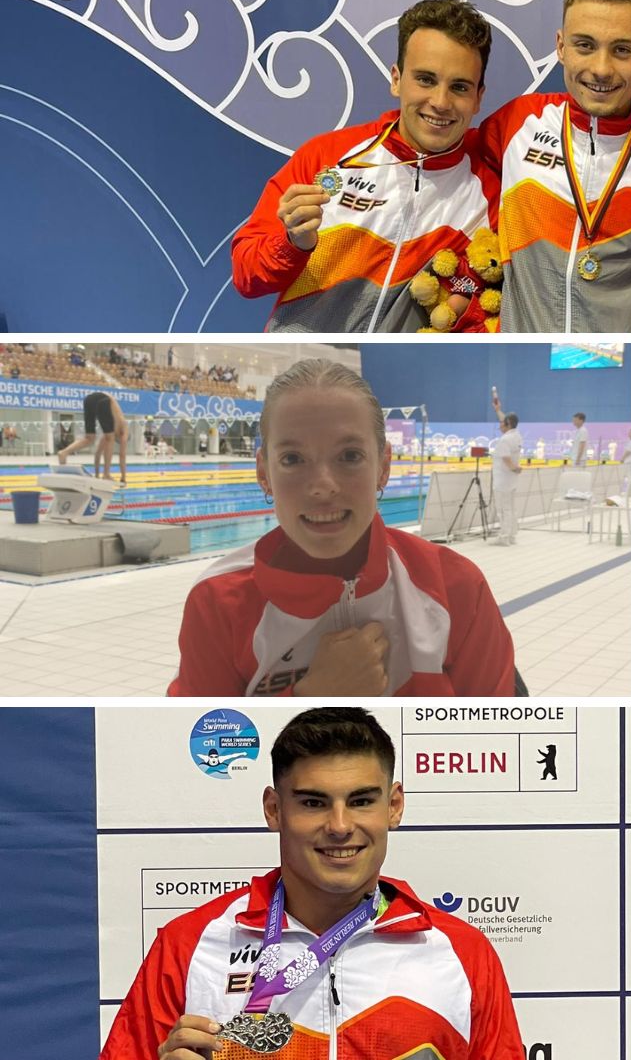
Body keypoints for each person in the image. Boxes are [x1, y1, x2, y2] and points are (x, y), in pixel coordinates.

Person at [100, 707, 524, 1059]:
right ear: (273, 809)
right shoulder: (188, 945)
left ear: (393, 807)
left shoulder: (463, 953)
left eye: (361, 801)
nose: (340, 826)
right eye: (313, 803)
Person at [169, 359, 517, 695]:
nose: (323, 485)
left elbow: (495, 743)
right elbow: (200, 749)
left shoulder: (456, 588)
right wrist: (311, 700)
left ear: (383, 466)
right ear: (264, 474)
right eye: (292, 459)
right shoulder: (218, 603)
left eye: (349, 456)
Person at [231, 0, 498, 332]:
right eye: (426, 80)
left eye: (459, 87)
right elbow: (246, 276)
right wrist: (292, 244)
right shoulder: (328, 156)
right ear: (397, 79)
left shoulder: (493, 189)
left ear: (478, 97)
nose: (441, 102)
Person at [480, 0, 631, 332]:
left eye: (621, 50)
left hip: (621, 363)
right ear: (561, 46)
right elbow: (439, 166)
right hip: (525, 357)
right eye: (585, 45)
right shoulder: (517, 123)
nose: (601, 68)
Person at [55, 390, 130, 482]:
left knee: (89, 438)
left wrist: (97, 475)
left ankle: (64, 453)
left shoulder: (109, 434)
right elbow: (122, 455)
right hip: (104, 399)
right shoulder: (124, 430)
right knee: (109, 439)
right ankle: (106, 474)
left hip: (89, 400)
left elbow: (98, 453)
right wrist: (123, 478)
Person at [489, 391, 524, 545]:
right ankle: (511, 536)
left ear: (507, 425)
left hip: (503, 480)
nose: (500, 424)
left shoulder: (505, 439)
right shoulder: (516, 435)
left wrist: (515, 468)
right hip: (511, 481)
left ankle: (504, 537)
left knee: (503, 509)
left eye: (502, 423)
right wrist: (498, 410)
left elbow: (506, 459)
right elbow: (507, 420)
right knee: (511, 508)